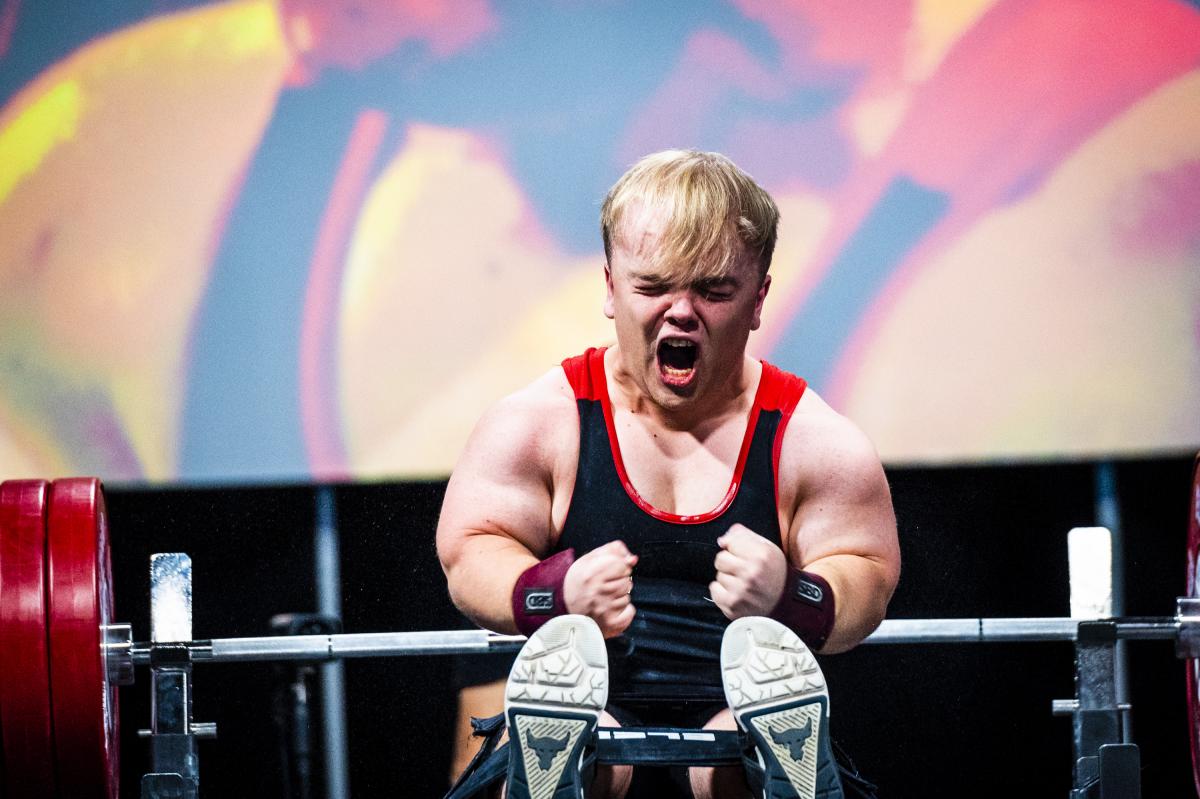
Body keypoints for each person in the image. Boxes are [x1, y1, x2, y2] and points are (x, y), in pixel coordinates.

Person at [436, 150, 900, 799]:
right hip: (590, 695)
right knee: (592, 736)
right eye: (654, 287)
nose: (681, 312)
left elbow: (867, 579)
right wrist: (551, 588)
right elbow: (470, 554)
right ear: (609, 286)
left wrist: (792, 595)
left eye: (712, 290)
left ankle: (769, 764)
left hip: (739, 706)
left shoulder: (815, 441)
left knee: (736, 744)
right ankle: (561, 763)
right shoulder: (539, 422)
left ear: (759, 297)